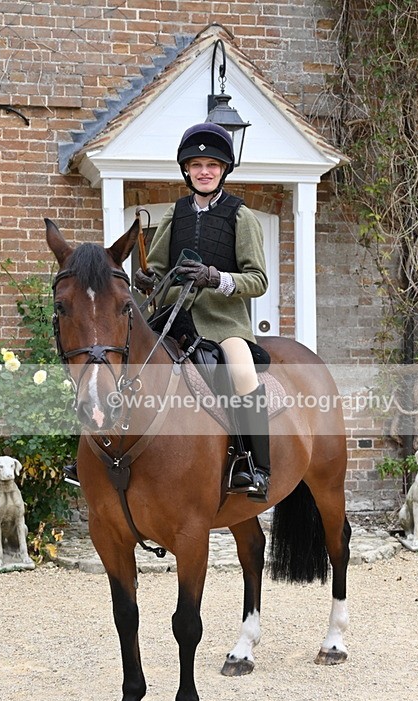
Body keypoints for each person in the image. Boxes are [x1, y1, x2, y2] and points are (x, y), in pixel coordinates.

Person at [134, 122, 271, 502]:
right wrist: (146, 280)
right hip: (172, 318)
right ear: (187, 170)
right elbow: (156, 268)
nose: (204, 171)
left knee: (242, 374)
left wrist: (215, 277)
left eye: (212, 165)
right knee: (124, 363)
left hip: (224, 322)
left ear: (223, 170)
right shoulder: (174, 214)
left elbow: (258, 280)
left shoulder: (241, 216)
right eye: (197, 165)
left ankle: (255, 467)